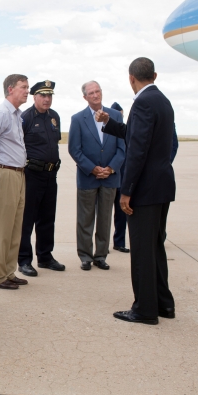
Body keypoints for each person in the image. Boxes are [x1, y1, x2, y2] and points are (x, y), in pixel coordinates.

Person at [96, 57, 176, 325]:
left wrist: (127, 190)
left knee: (142, 250)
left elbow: (138, 150)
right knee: (155, 247)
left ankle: (144, 310)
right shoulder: (162, 100)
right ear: (155, 74)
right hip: (162, 186)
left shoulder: (142, 102)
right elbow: (138, 135)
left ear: (132, 78)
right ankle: (164, 304)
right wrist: (111, 123)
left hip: (145, 190)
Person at [68, 81, 125, 271]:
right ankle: (85, 256)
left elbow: (122, 147)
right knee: (85, 219)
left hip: (110, 177)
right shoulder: (78, 119)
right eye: (91, 93)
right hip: (88, 177)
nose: (95, 95)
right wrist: (92, 168)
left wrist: (111, 168)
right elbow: (74, 149)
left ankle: (101, 255)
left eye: (98, 91)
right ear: (85, 97)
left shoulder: (115, 116)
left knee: (105, 218)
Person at [0, 74, 30, 289]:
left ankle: (9, 271)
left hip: (19, 174)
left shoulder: (16, 115)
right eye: (23, 87)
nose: (27, 91)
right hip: (5, 174)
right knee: (2, 228)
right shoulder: (2, 113)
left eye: (27, 87)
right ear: (10, 89)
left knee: (14, 227)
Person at [18, 80, 66, 277]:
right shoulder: (26, 117)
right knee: (27, 219)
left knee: (47, 218)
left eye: (50, 95)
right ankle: (24, 259)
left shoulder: (54, 117)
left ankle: (45, 257)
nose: (47, 99)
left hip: (50, 174)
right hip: (32, 175)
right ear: (34, 96)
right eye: (43, 95)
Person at [110, 102, 130, 254]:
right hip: (110, 175)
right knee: (103, 213)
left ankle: (119, 242)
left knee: (121, 211)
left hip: (124, 177)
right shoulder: (108, 130)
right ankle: (101, 244)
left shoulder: (126, 131)